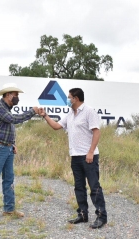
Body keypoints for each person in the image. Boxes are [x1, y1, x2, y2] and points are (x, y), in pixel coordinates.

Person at [39, 88, 107, 229]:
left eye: (69, 97)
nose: (67, 99)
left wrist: (90, 152)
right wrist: (45, 116)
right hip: (75, 156)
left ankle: (101, 217)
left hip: (88, 156)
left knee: (94, 187)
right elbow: (57, 126)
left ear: (75, 98)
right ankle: (82, 214)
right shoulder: (70, 114)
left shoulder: (89, 111)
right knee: (79, 187)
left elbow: (96, 132)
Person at [0, 83, 39, 221]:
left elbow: (7, 128)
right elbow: (12, 120)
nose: (17, 98)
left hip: (6, 148)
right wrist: (32, 111)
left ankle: (9, 209)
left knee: (9, 179)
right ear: (8, 95)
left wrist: (12, 144)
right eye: (16, 95)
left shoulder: (6, 108)